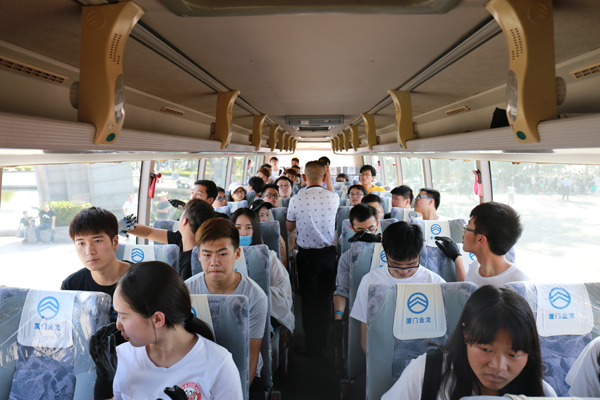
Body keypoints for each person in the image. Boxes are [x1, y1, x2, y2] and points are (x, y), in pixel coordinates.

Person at [89, 261, 243, 400]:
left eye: (123, 316)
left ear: (157, 319)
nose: (118, 326)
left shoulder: (219, 364)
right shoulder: (120, 358)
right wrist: (104, 385)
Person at [381, 285, 556, 399]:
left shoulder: (542, 394)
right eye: (486, 349)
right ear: (465, 334)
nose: (499, 366)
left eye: (514, 355)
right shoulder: (426, 374)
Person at [185, 218, 268, 386]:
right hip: (199, 366)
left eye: (222, 254)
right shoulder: (186, 291)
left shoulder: (255, 296)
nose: (214, 262)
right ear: (199, 255)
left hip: (239, 367)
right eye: (207, 254)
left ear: (237, 253)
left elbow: (251, 355)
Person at [350, 221, 445, 354]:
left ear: (419, 254)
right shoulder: (370, 282)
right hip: (383, 357)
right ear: (385, 254)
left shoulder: (435, 283)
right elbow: (366, 338)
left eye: (411, 264)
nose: (403, 271)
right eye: (395, 264)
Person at [287, 160, 339, 358]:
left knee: (309, 301)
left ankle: (311, 346)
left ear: (303, 177)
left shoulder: (296, 199)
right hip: (328, 255)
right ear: (325, 177)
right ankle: (323, 343)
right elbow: (330, 192)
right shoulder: (333, 197)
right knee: (324, 299)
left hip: (307, 256)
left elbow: (290, 227)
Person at [61, 207, 132, 324]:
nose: (89, 251)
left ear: (115, 242)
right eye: (81, 243)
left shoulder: (143, 278)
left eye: (97, 241)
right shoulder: (72, 286)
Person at [230, 208, 294, 332]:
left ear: (255, 230)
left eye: (248, 228)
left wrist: (254, 291)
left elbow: (284, 294)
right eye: (238, 228)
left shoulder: (268, 257)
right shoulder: (224, 258)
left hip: (264, 313)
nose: (243, 233)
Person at [122, 199, 216, 280]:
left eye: (182, 215)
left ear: (185, 221)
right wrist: (122, 227)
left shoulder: (190, 265)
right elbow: (149, 232)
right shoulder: (180, 238)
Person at [450, 202, 527, 286]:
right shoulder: (475, 267)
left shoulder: (520, 283)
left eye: (467, 228)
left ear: (480, 239)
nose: (464, 232)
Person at [333, 204, 380, 331]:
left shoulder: (391, 253)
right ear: (352, 229)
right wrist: (338, 319)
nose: (367, 234)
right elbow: (342, 291)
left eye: (371, 228)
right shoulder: (347, 258)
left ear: (377, 224)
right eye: (361, 230)